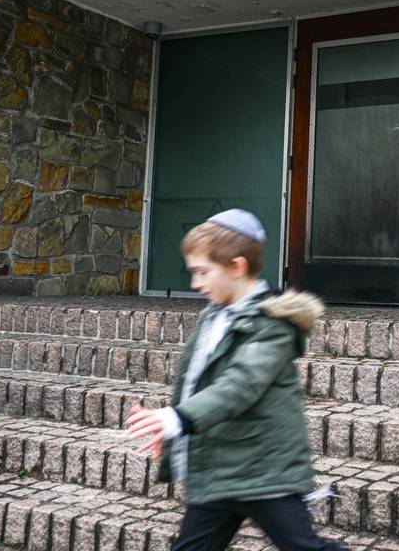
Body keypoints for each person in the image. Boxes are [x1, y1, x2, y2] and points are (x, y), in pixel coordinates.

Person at [126, 209, 346, 551]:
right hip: (219, 471)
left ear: (237, 266)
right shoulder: (212, 317)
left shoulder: (272, 323)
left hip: (264, 470)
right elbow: (195, 385)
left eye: (203, 272)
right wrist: (173, 430)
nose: (195, 283)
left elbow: (240, 385)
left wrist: (178, 419)